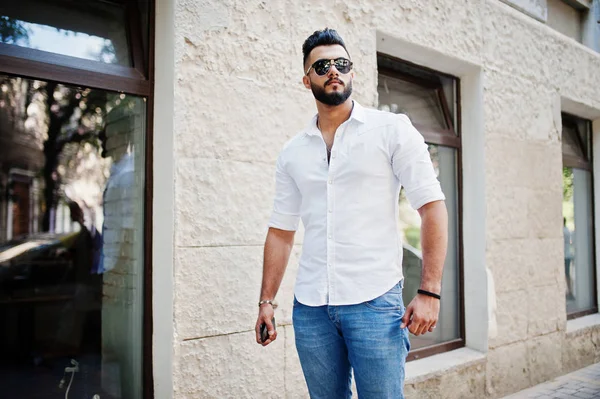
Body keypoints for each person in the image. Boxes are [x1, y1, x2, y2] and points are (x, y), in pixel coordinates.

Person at [255, 28, 448, 398]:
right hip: (311, 309)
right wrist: (267, 301)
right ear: (306, 78)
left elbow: (431, 207)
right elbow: (281, 230)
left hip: (375, 302)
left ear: (353, 72)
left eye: (341, 63)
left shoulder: (391, 130)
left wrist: (430, 291)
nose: (333, 71)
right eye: (322, 65)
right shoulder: (292, 152)